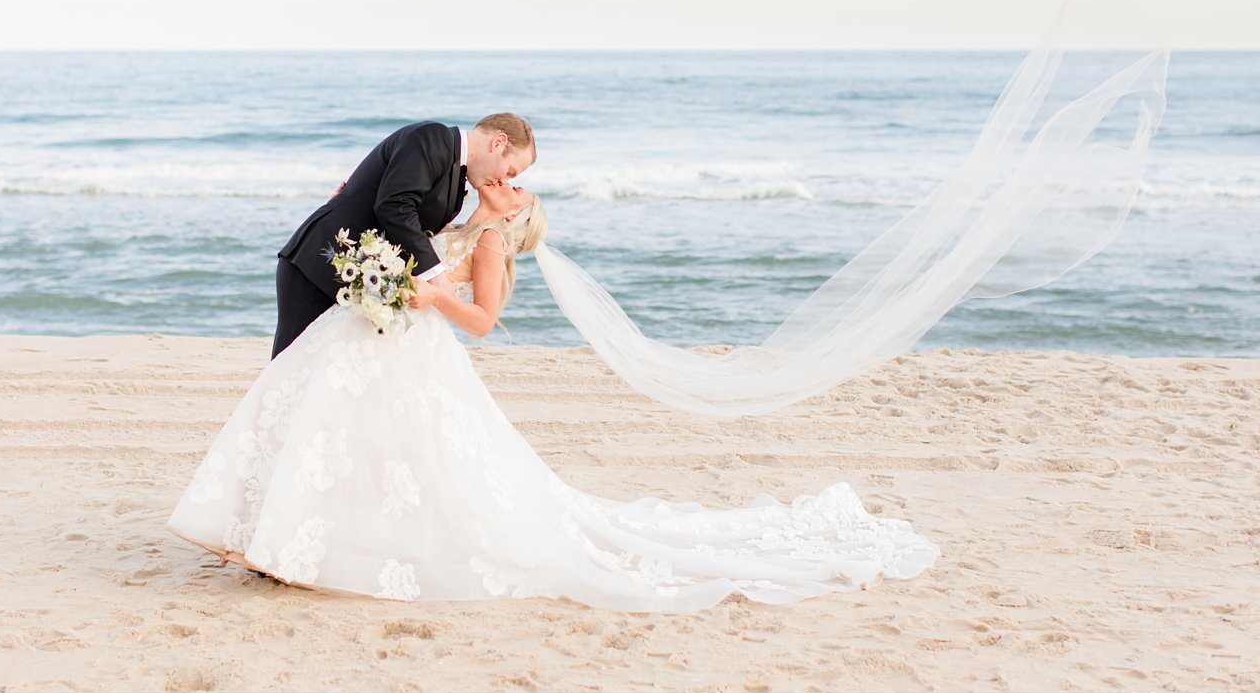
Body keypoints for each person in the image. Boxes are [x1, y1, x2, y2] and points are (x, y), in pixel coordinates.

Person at [167, 171, 938, 610]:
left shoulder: (494, 241)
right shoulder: (461, 216)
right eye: (507, 177)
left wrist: (431, 296)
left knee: (396, 454)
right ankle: (282, 535)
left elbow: (484, 319)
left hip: (414, 344)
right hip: (374, 337)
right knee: (340, 438)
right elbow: (401, 227)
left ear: (519, 211)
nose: (507, 184)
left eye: (517, 186)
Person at [271, 113, 535, 359]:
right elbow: (394, 206)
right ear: (499, 143)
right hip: (317, 266)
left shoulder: (457, 192)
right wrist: (437, 275)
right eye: (510, 171)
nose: (504, 180)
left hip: (359, 286)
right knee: (290, 371)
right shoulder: (433, 137)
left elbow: (409, 233)